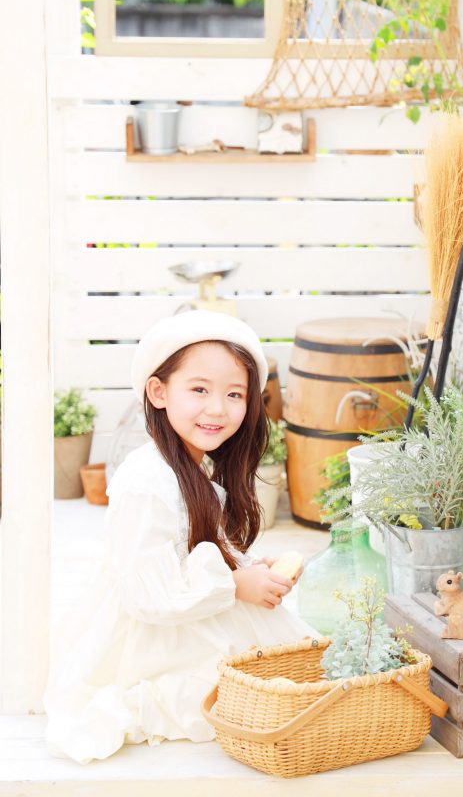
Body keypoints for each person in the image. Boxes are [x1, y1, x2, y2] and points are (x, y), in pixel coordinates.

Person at [44, 311, 311, 764]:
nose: (217, 409)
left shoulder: (192, 468)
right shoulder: (147, 482)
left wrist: (245, 572)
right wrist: (232, 585)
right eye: (200, 390)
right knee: (222, 692)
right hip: (154, 628)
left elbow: (192, 549)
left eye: (234, 394)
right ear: (159, 391)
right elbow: (148, 593)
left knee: (280, 670)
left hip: (190, 607)